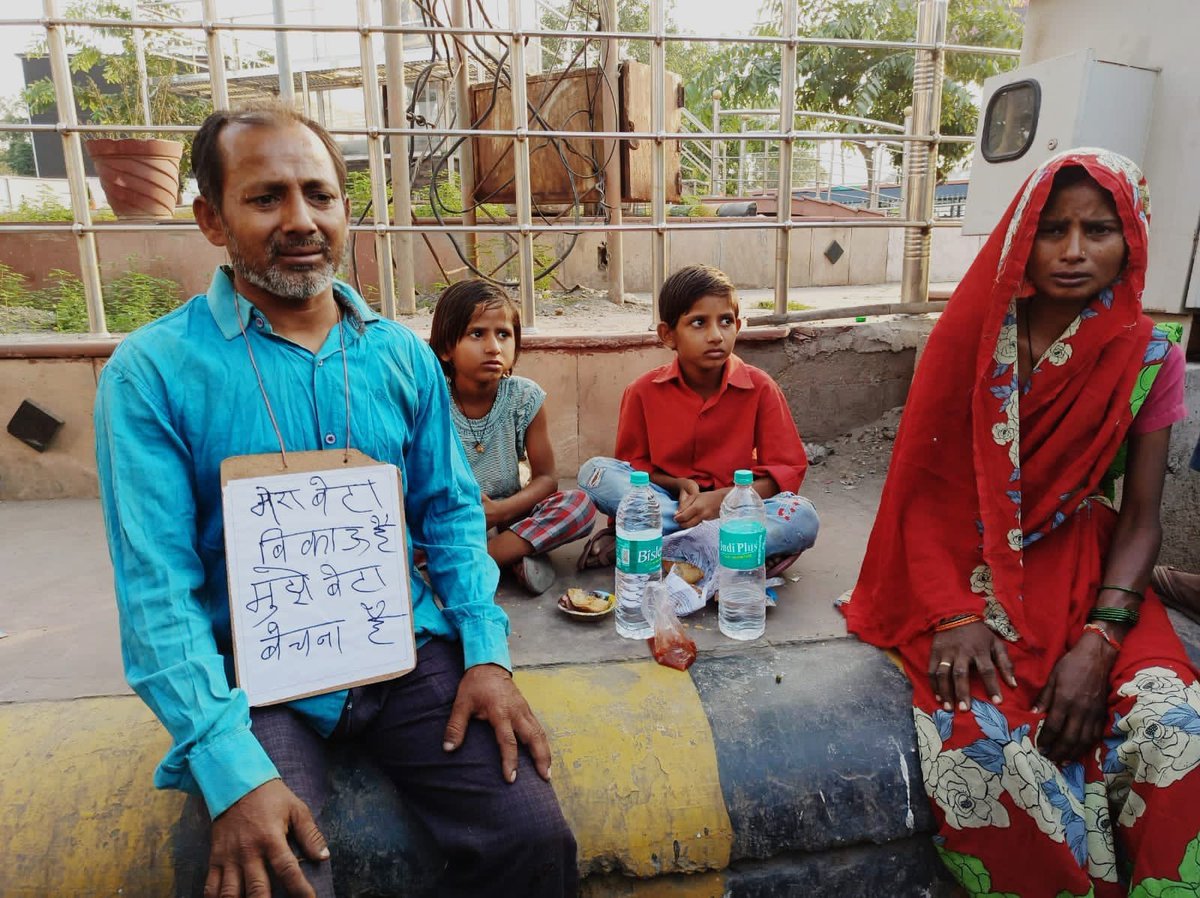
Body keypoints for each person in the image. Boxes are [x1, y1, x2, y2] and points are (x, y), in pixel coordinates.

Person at [94, 102, 576, 898]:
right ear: (211, 219)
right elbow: (156, 591)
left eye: (319, 194)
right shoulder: (150, 374)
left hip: (405, 655)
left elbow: (451, 517)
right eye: (265, 197)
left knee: (533, 839)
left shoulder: (400, 358)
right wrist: (227, 765)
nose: (300, 220)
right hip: (253, 682)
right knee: (275, 877)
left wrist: (487, 656)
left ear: (345, 210)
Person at [844, 149, 1200, 897]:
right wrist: (952, 611)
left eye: (1098, 229)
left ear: (1131, 237)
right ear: (1022, 238)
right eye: (1053, 229)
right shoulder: (971, 336)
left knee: (1179, 733)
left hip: (1088, 575)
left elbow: (1139, 520)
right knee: (988, 752)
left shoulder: (1150, 358)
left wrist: (1101, 642)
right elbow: (923, 490)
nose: (1073, 252)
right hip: (960, 571)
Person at [576, 264, 819, 575]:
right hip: (670, 505)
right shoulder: (642, 392)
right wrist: (677, 485)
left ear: (738, 326)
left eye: (726, 322)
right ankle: (731, 551)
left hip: (736, 508)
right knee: (594, 473)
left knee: (802, 516)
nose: (716, 336)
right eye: (699, 323)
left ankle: (662, 548)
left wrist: (720, 501)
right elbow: (635, 468)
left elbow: (786, 473)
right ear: (668, 335)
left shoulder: (760, 388)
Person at [429, 279, 597, 595]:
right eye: (477, 334)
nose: (494, 347)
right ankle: (517, 553)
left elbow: (547, 478)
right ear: (446, 348)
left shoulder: (524, 398)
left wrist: (501, 512)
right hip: (455, 518)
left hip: (509, 513)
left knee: (581, 505)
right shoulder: (433, 401)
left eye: (504, 334)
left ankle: (483, 559)